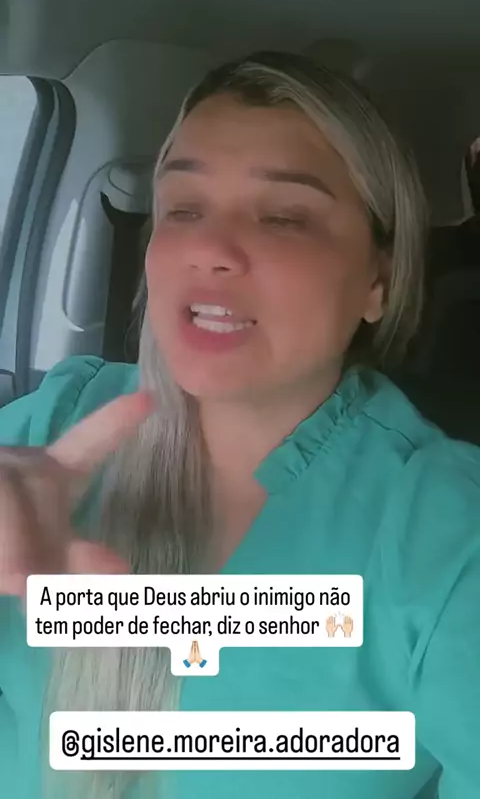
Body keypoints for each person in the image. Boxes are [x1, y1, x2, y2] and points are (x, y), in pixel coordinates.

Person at [0, 50, 479, 799]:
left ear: (378, 281)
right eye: (184, 209)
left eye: (285, 217)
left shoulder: (442, 530)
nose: (210, 250)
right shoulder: (53, 423)